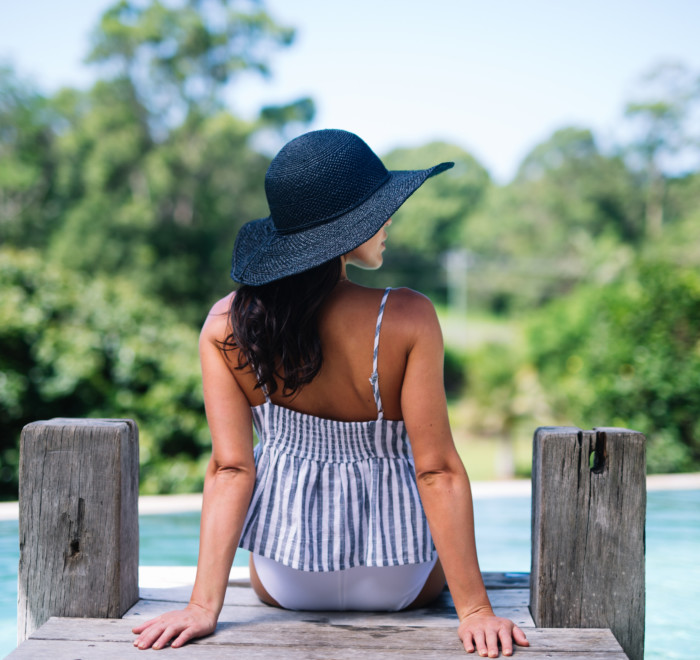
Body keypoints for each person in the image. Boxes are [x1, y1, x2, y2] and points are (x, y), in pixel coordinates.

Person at [132, 129, 529, 657]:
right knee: (426, 537)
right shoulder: (408, 316)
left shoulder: (225, 327)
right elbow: (436, 471)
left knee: (262, 544)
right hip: (401, 578)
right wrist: (476, 611)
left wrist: (203, 607)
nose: (389, 221)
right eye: (379, 210)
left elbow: (231, 469)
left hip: (287, 580)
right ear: (348, 228)